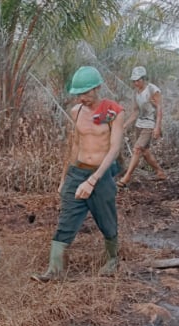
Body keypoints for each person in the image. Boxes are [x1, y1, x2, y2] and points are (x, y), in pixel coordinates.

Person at [32, 66, 124, 282]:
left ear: (98, 87)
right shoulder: (76, 112)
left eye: (86, 93)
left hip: (100, 175)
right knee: (67, 218)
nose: (82, 98)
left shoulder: (114, 113)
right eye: (78, 94)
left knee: (107, 219)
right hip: (77, 172)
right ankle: (54, 270)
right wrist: (64, 178)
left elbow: (114, 149)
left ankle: (112, 260)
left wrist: (93, 180)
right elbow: (74, 145)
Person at [117, 66, 165, 187]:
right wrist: (125, 125)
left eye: (138, 80)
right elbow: (135, 112)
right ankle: (160, 172)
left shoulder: (152, 90)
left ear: (144, 79)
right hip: (139, 124)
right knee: (145, 151)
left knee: (137, 149)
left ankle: (126, 177)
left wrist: (157, 127)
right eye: (133, 81)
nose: (135, 83)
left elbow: (159, 109)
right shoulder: (135, 93)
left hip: (150, 124)